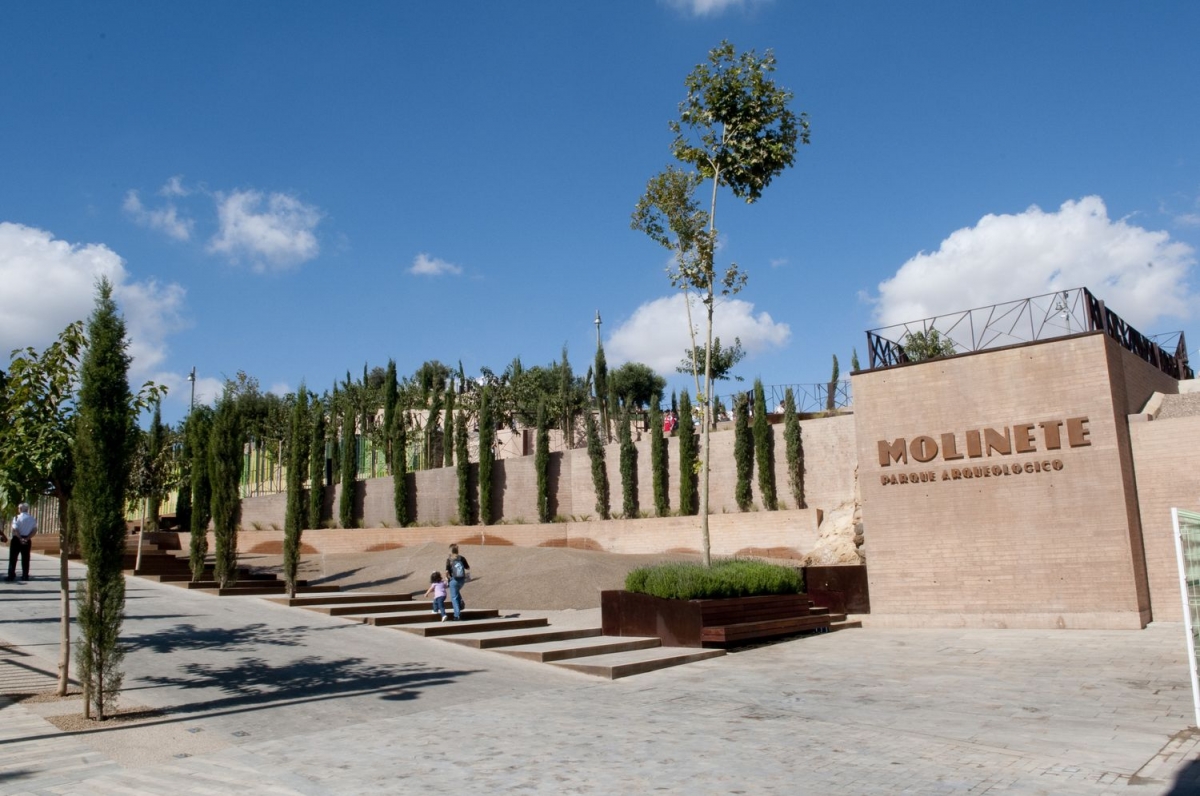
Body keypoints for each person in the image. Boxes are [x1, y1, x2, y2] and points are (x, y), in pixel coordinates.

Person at [8, 502, 37, 583]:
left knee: (13, 558)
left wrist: (20, 538)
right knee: (26, 558)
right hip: (27, 539)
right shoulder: (32, 519)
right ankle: (25, 575)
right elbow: (34, 530)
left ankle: (11, 575)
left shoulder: (16, 517)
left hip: (17, 539)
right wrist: (27, 538)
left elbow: (15, 529)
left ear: (20, 509)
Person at [444, 544, 471, 621]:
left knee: (454, 597)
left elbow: (447, 571)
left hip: (454, 580)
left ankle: (457, 615)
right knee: (456, 592)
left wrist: (446, 578)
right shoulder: (462, 558)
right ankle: (461, 601)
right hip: (462, 580)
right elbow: (468, 567)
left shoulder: (449, 559)